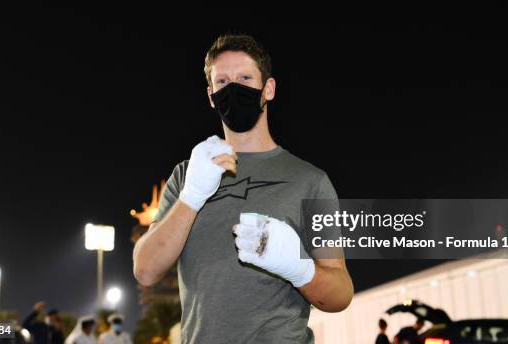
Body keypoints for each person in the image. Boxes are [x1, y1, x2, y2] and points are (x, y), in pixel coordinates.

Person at [133, 34, 354, 343]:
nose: (233, 89)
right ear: (211, 96)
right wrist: (192, 197)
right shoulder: (187, 174)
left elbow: (341, 294)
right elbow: (145, 270)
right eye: (222, 81)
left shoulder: (310, 181)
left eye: (245, 78)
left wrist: (300, 268)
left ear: (269, 88)